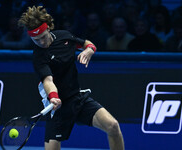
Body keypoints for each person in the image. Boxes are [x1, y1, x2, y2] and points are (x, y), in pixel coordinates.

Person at [18, 6, 125, 150]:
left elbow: (88, 44)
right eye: (36, 40)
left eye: (43, 36)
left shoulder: (64, 37)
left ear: (48, 28)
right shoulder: (39, 56)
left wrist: (89, 50)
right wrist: (54, 97)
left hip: (77, 99)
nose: (42, 42)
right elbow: (48, 80)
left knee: (113, 126)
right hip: (56, 107)